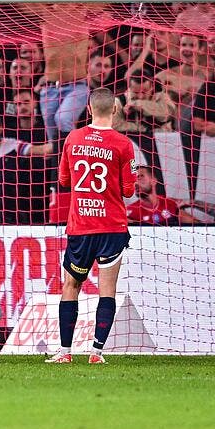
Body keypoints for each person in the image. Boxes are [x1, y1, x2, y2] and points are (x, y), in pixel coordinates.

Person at [46, 86, 136, 365]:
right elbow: (129, 190)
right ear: (115, 110)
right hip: (111, 226)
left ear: (88, 109)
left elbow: (63, 181)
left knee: (71, 285)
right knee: (107, 290)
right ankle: (96, 352)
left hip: (81, 225)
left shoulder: (73, 138)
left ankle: (64, 352)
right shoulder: (123, 144)